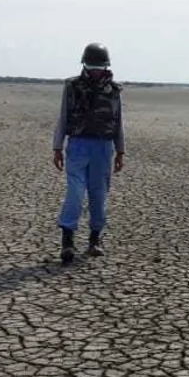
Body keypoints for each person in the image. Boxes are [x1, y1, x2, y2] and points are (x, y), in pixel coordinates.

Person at [52, 43, 125, 264]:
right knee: (75, 194)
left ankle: (95, 240)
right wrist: (57, 147)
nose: (95, 71)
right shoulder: (72, 86)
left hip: (103, 148)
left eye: (99, 67)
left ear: (106, 66)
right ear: (84, 64)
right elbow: (63, 117)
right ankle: (67, 242)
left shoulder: (114, 90)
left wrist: (120, 151)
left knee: (99, 195)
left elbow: (118, 122)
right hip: (78, 146)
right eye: (92, 66)